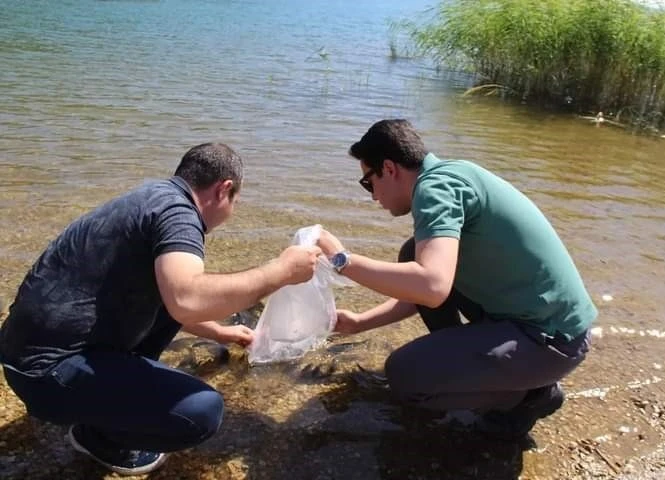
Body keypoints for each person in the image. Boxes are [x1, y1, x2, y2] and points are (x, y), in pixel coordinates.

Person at [0, 143, 322, 475]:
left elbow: (174, 302)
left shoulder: (152, 198)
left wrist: (222, 332)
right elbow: (187, 299)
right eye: (236, 202)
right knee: (202, 411)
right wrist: (281, 272)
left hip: (23, 357)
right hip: (46, 376)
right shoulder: (179, 215)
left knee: (163, 297)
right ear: (224, 189)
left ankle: (95, 404)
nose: (232, 211)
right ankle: (98, 437)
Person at [317, 119, 597, 439]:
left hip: (552, 340)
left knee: (404, 375)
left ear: (390, 169)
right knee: (414, 253)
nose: (373, 197)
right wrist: (359, 323)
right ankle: (480, 370)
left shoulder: (434, 189)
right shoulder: (452, 174)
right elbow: (427, 288)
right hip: (547, 327)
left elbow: (432, 287)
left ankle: (527, 396)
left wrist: (342, 260)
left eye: (369, 183)